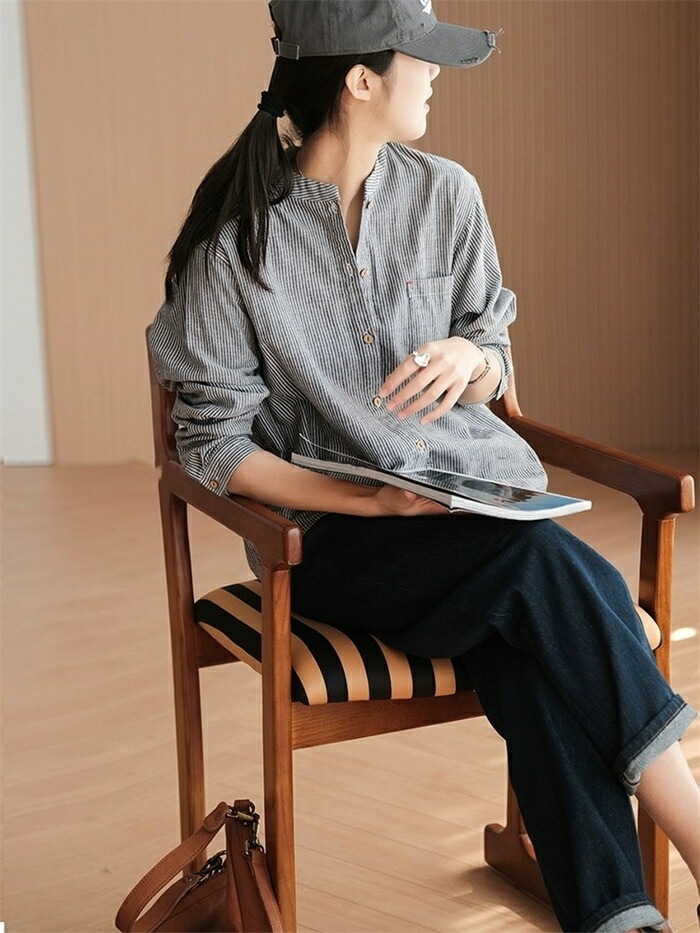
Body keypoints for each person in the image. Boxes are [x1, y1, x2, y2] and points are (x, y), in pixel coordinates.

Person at [148, 1, 699, 930]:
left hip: (474, 514)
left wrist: (471, 359)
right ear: (361, 80)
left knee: (528, 645)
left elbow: (494, 350)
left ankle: (620, 919)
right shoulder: (236, 246)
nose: (439, 73)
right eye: (423, 56)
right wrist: (369, 503)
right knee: (551, 574)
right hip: (329, 547)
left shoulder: (449, 195)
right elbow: (212, 447)